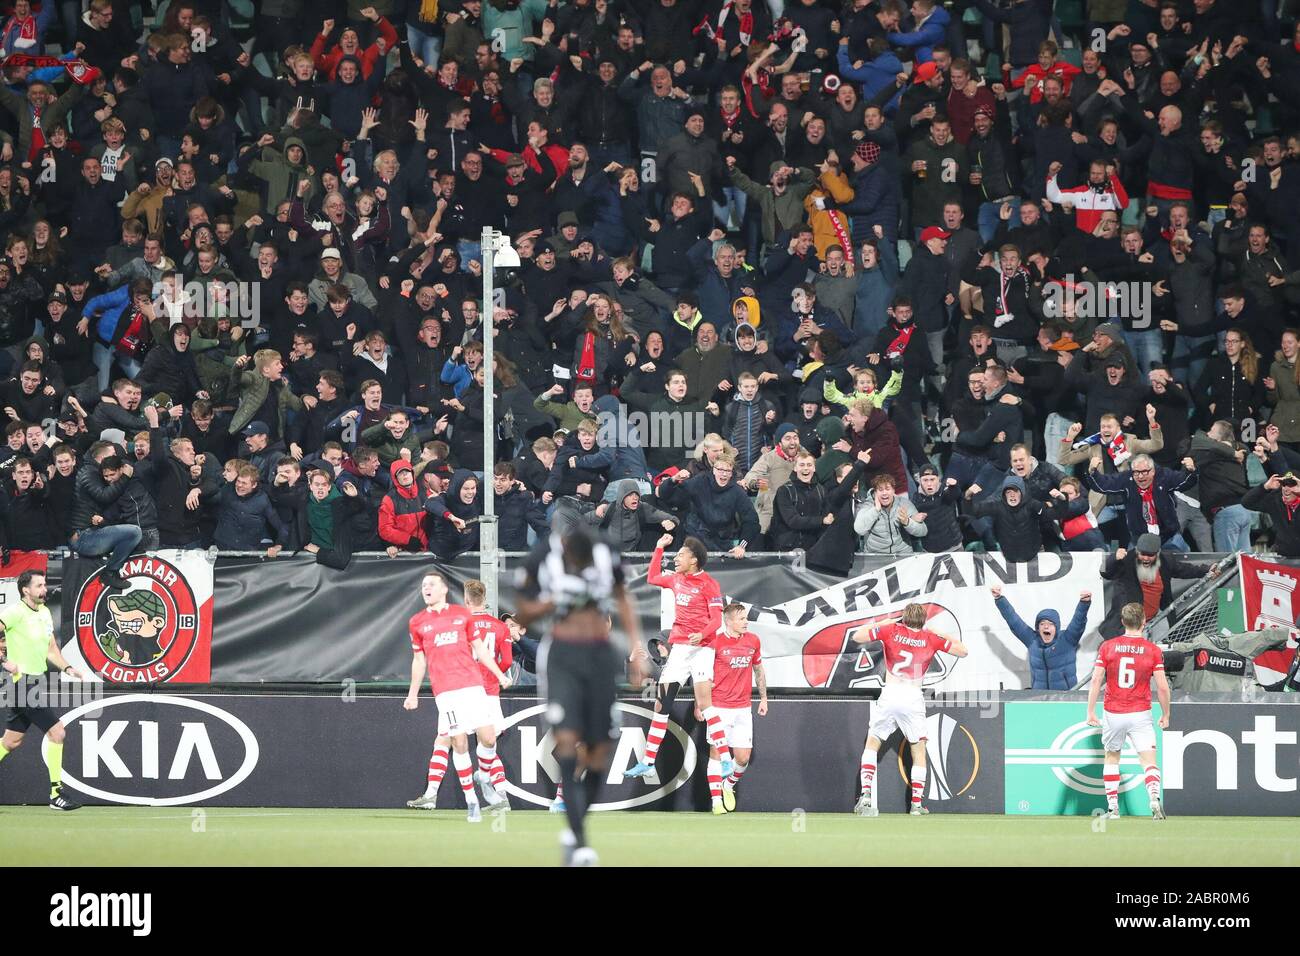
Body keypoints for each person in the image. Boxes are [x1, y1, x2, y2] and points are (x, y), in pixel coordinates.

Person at [514, 528, 646, 867]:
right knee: (567, 743)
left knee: (600, 751)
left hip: (600, 657)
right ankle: (583, 845)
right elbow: (522, 613)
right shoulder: (543, 556)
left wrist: (637, 648)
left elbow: (622, 597)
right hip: (562, 657)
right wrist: (553, 601)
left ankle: (574, 830)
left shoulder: (607, 553)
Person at [402, 571, 512, 823]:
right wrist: (413, 694)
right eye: (423, 585)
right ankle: (471, 800)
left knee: (488, 737)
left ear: (444, 590)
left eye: (431, 584)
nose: (426, 588)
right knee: (457, 743)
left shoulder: (462, 615)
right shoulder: (417, 622)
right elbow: (419, 660)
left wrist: (499, 675)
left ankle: (484, 777)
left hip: (475, 686)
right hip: (446, 692)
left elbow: (481, 650)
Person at [626, 533, 729, 781]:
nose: (677, 559)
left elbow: (717, 620)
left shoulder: (710, 584)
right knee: (662, 702)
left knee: (705, 704)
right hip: (681, 648)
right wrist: (659, 547)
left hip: (703, 648)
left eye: (681, 555)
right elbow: (652, 577)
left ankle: (725, 759)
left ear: (694, 560)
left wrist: (701, 634)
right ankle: (649, 761)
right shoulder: (676, 580)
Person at [850, 602, 968, 816]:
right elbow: (963, 651)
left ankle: (865, 798)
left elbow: (857, 636)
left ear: (903, 618)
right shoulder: (930, 638)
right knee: (918, 751)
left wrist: (885, 621)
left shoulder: (890, 630)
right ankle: (916, 805)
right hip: (913, 697)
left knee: (873, 742)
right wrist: (935, 631)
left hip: (891, 692)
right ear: (923, 621)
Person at [0, 570, 86, 810]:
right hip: (21, 683)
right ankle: (56, 794)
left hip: (35, 682)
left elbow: (51, 651)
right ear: (25, 590)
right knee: (57, 732)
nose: (44, 589)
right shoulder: (15, 612)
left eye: (45, 584)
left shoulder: (46, 612)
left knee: (11, 742)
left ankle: (55, 794)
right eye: (39, 585)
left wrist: (68, 668)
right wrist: (4, 660)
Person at [1085, 601, 1171, 821]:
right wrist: (1166, 714)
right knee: (1148, 761)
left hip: (1114, 712)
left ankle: (1113, 808)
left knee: (1112, 757)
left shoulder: (1108, 647)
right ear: (1144, 621)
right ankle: (1153, 798)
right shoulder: (1153, 650)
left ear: (1122, 622)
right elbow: (1162, 686)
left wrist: (1091, 712)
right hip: (1140, 712)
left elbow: (1096, 680)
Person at [708, 603, 767, 815]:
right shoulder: (715, 642)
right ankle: (716, 802)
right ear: (729, 621)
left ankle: (728, 784)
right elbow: (703, 676)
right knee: (716, 752)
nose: (746, 622)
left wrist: (763, 698)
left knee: (742, 758)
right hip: (717, 707)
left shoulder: (753, 641)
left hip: (743, 708)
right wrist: (700, 703)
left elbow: (759, 670)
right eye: (741, 619)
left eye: (746, 618)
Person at [464, 579, 513, 810]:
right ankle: (500, 797)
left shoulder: (462, 625)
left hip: (466, 690)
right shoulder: (500, 626)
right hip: (491, 692)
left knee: (451, 741)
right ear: (484, 599)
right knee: (488, 746)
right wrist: (495, 675)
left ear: (466, 600)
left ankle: (432, 794)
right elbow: (508, 661)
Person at [990, 585, 1091, 690]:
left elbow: (1078, 621)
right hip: (1038, 698)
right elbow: (1013, 620)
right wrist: (999, 599)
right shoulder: (1032, 640)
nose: (1046, 626)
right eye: (1042, 623)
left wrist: (1084, 603)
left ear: (1057, 627)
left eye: (1050, 624)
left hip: (1066, 698)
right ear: (1038, 628)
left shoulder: (1067, 639)